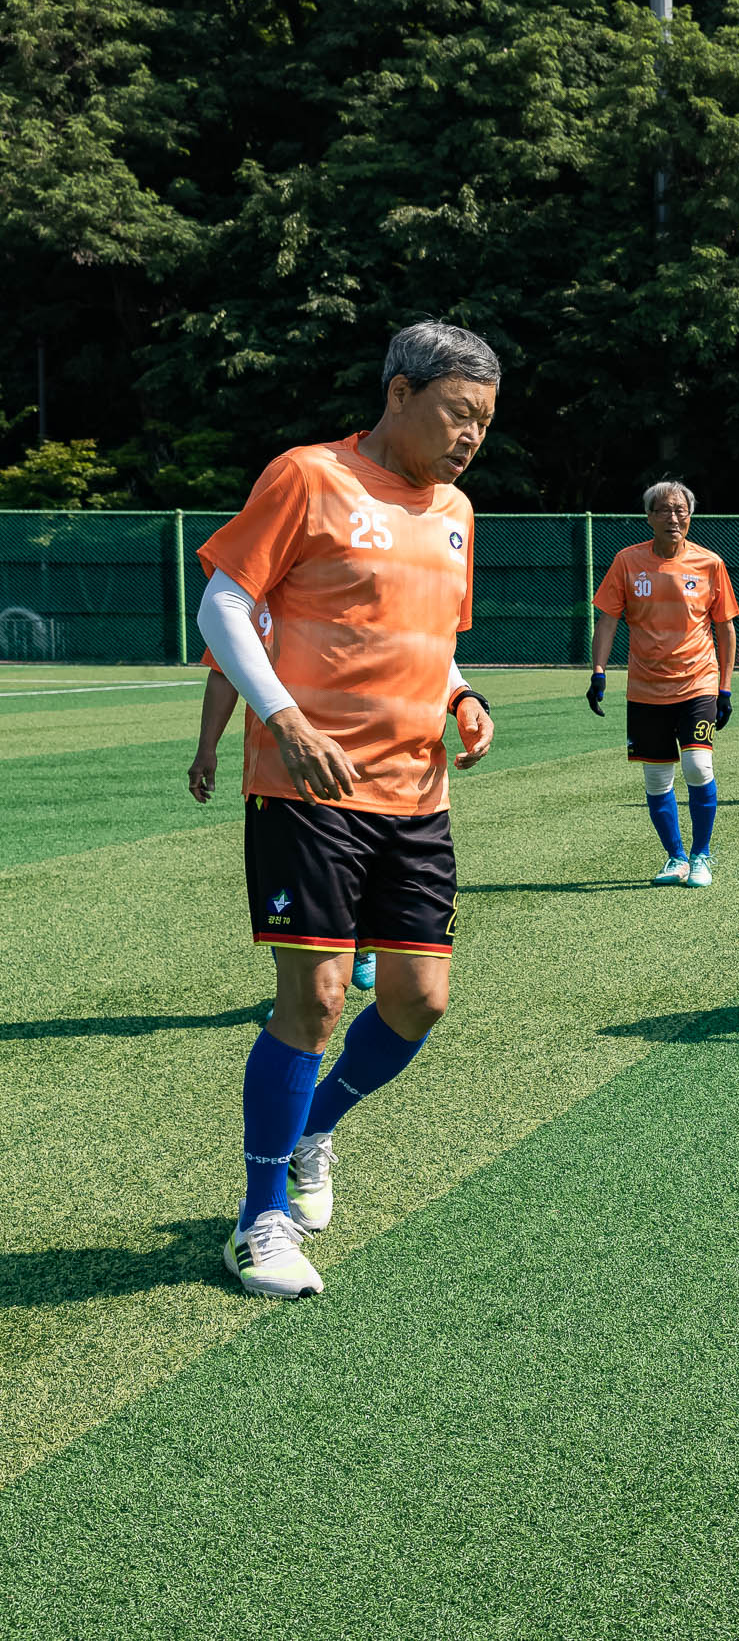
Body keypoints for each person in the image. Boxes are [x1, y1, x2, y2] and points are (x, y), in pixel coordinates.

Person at [192, 319, 500, 1298]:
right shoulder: (307, 476)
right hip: (307, 784)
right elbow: (223, 606)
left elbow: (429, 637)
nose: (469, 438)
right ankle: (258, 1220)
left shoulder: (455, 509)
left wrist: (460, 693)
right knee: (316, 997)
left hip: (416, 791)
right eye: (458, 414)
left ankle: (315, 1125)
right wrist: (282, 720)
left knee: (418, 999)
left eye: (484, 423)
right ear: (400, 392)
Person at [193, 660, 380, 991]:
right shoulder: (241, 610)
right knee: (285, 895)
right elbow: (224, 671)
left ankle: (359, 935)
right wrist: (206, 748)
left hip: (358, 768)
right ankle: (293, 995)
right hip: (275, 781)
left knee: (358, 867)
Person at [590, 480, 739, 888]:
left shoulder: (710, 564)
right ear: (649, 516)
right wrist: (598, 670)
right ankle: (675, 857)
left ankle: (701, 855)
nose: (673, 518)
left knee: (697, 764)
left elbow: (725, 629)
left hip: (697, 682)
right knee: (657, 779)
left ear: (690, 517)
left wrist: (724, 687)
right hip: (645, 688)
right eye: (664, 510)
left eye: (681, 510)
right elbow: (607, 619)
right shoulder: (626, 561)